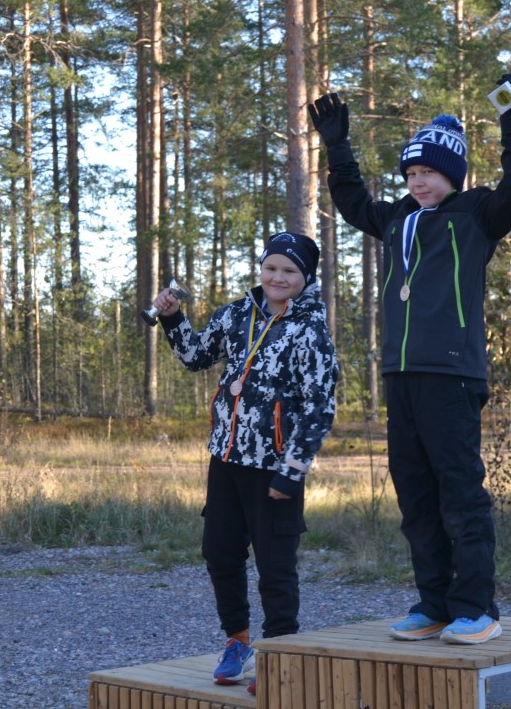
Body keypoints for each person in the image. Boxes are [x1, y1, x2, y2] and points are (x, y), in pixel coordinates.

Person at [308, 78, 511, 645]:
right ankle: (434, 604)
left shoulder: (478, 213)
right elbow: (352, 201)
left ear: (453, 175)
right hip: (402, 375)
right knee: (415, 496)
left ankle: (476, 608)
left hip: (452, 375)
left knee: (460, 493)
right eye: (411, 173)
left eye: (430, 172)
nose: (418, 182)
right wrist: (337, 146)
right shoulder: (397, 220)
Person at [150, 231, 338, 688]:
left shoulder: (310, 330)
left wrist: (292, 471)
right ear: (261, 269)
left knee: (275, 567)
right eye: (271, 267)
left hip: (275, 469)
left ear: (306, 277)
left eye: (289, 271)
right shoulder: (235, 315)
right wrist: (173, 319)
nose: (278, 277)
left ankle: (281, 656)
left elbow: (320, 408)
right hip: (226, 460)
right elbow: (196, 357)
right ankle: (237, 642)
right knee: (220, 554)